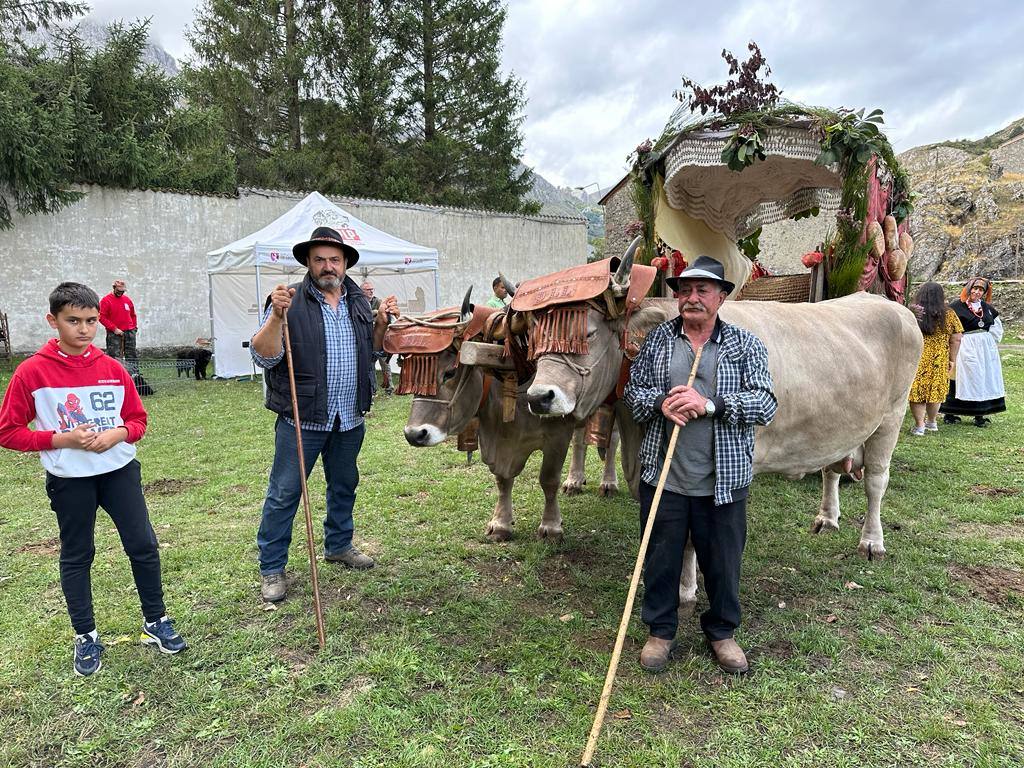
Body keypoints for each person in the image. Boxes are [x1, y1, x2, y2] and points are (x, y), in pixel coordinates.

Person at [0, 283, 186, 677]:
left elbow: (137, 421)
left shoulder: (112, 368)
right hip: (71, 480)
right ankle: (85, 635)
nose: (83, 330)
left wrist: (118, 434)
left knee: (143, 545)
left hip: (119, 472)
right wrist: (60, 439)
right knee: (78, 554)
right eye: (73, 321)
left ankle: (156, 620)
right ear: (53, 321)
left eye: (91, 321)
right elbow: (8, 431)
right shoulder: (32, 372)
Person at [623, 255, 776, 675]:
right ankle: (660, 631)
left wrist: (709, 404)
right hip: (665, 475)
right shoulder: (658, 342)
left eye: (702, 290)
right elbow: (633, 395)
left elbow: (765, 404)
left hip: (723, 480)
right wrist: (660, 403)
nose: (691, 298)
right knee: (660, 558)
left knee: (723, 562)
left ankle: (722, 632)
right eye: (684, 290)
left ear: (721, 298)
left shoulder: (745, 345)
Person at [250, 227, 399, 603]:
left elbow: (375, 353)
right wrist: (276, 318)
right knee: (285, 493)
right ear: (308, 263)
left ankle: (338, 544)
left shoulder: (359, 303)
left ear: (346, 263)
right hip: (303, 418)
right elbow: (264, 356)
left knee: (344, 484)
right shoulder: (288, 301)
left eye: (334, 259)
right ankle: (272, 567)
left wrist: (380, 322)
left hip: (349, 415)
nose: (327, 266)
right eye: (319, 259)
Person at [940, 277, 1006, 427]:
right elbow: (948, 327)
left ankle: (979, 415)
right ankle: (950, 413)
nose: (977, 292)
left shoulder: (987, 308)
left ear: (984, 292)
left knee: (982, 379)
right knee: (961, 378)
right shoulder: (956, 306)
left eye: (981, 290)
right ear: (969, 289)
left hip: (984, 350)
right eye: (974, 288)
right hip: (964, 347)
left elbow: (996, 327)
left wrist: (988, 342)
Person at [908, 282, 963, 436]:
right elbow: (956, 338)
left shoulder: (914, 312)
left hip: (918, 356)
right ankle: (932, 422)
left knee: (917, 392)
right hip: (940, 358)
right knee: (936, 391)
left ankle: (919, 426)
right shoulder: (949, 314)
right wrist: (952, 359)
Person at [361, 280, 394, 394]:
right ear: (362, 291)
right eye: (368, 289)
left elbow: (386, 317)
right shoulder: (359, 302)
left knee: (384, 362)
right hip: (366, 339)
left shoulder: (378, 301)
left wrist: (376, 314)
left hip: (380, 338)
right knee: (370, 365)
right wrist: (374, 313)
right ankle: (373, 389)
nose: (371, 291)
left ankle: (389, 386)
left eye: (372, 289)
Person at [99, 280, 138, 367]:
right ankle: (115, 376)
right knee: (114, 356)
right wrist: (114, 329)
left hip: (130, 331)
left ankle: (134, 375)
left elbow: (133, 315)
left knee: (132, 355)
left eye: (122, 291)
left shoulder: (127, 300)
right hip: (114, 333)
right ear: (114, 288)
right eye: (119, 290)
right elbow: (101, 317)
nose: (121, 293)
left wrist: (134, 328)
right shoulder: (106, 300)